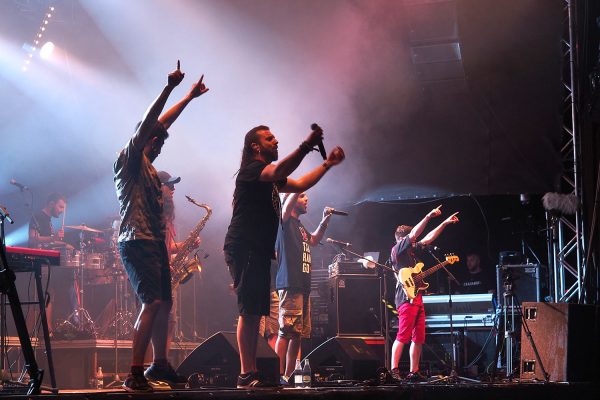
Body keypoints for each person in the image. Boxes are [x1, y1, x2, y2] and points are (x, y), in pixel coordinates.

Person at [224, 125, 345, 388]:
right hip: (244, 245)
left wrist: (327, 165)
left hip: (257, 249)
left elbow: (300, 183)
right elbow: (281, 172)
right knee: (249, 310)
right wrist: (305, 145)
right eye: (269, 138)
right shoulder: (251, 171)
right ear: (256, 146)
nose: (275, 140)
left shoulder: (269, 179)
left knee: (256, 311)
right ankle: (246, 373)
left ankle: (253, 371)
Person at [114, 62, 208, 392]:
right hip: (135, 239)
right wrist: (169, 89)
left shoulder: (153, 169)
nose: (159, 144)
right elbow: (153, 123)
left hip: (152, 241)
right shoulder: (128, 157)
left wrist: (189, 98)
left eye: (161, 143)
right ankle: (134, 373)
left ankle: (160, 364)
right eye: (155, 140)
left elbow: (162, 126)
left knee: (165, 303)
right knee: (152, 302)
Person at [390, 207, 459, 382]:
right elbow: (414, 234)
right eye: (412, 241)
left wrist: (443, 223)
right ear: (403, 239)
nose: (415, 242)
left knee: (418, 337)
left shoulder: (412, 251)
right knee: (403, 335)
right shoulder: (398, 249)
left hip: (418, 297)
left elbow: (428, 238)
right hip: (405, 297)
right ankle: (394, 370)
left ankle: (414, 371)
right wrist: (428, 216)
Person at [275, 192, 334, 384]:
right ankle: (276, 375)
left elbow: (314, 240)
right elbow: (285, 204)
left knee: (298, 333)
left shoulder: (299, 226)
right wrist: (295, 187)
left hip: (303, 285)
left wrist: (325, 220)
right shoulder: (284, 221)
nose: (306, 199)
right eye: (301, 196)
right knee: (286, 331)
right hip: (291, 283)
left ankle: (289, 375)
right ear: (290, 201)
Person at [157, 171, 201, 356]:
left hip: (167, 274)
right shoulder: (154, 213)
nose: (173, 189)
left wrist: (187, 245)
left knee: (170, 322)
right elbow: (154, 244)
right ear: (158, 187)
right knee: (158, 321)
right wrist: (162, 264)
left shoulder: (166, 216)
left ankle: (162, 362)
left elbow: (168, 246)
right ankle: (153, 364)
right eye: (170, 185)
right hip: (158, 273)